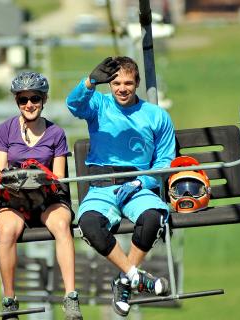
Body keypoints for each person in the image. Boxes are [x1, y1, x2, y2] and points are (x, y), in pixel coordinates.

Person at [65, 57, 176, 316]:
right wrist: (90, 82)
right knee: (90, 224)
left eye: (128, 83)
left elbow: (165, 160)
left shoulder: (156, 116)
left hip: (137, 185)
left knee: (152, 217)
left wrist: (142, 181)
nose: (122, 89)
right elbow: (73, 104)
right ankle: (134, 277)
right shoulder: (98, 104)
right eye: (115, 83)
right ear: (109, 84)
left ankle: (125, 281)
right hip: (102, 187)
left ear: (137, 84)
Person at [0, 71, 83, 320]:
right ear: (17, 102)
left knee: (62, 225)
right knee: (7, 231)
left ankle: (71, 297)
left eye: (35, 99)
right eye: (23, 100)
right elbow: (0, 171)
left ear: (44, 100)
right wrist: (2, 179)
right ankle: (10, 301)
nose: (29, 104)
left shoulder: (56, 134)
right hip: (13, 199)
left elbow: (59, 177)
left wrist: (40, 179)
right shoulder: (4, 131)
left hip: (46, 197)